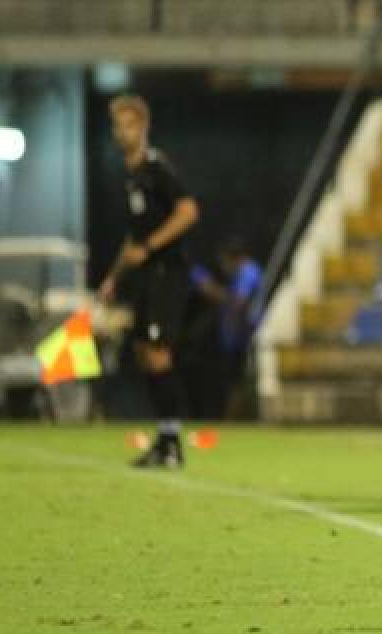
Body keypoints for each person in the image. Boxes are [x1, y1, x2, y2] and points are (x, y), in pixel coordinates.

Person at [98, 93, 200, 468]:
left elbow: (189, 210)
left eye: (127, 125)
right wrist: (113, 277)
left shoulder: (157, 169)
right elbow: (134, 240)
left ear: (142, 127)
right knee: (143, 354)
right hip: (147, 275)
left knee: (158, 353)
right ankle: (164, 440)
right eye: (116, 126)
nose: (120, 133)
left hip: (168, 273)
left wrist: (153, 246)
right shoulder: (133, 178)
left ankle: (172, 443)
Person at [189, 238, 263, 418]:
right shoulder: (242, 274)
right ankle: (232, 417)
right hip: (236, 337)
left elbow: (237, 303)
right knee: (231, 380)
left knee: (236, 381)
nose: (223, 268)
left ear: (233, 258)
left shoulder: (248, 272)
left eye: (224, 262)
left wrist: (208, 288)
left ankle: (234, 419)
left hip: (245, 336)